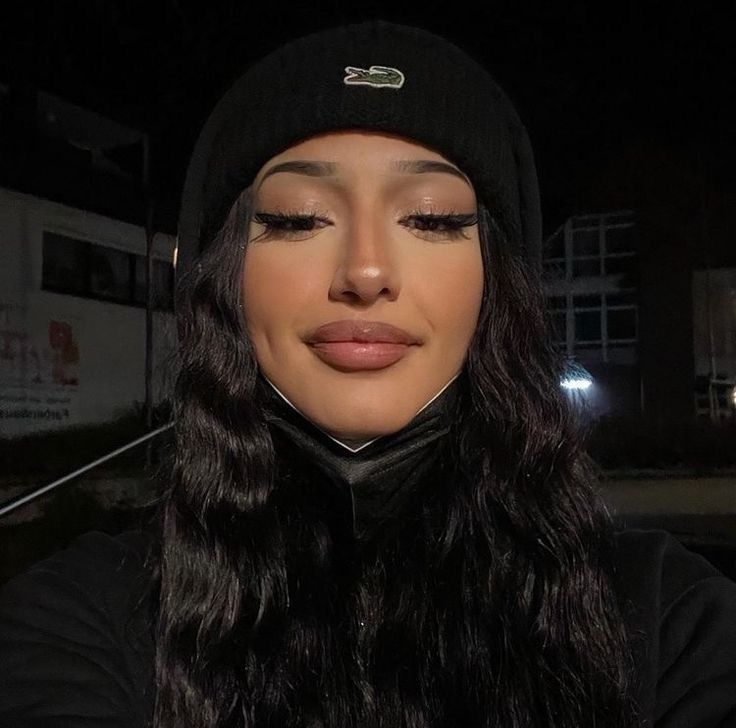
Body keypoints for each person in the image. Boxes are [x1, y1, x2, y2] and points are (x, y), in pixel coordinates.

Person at [1, 19, 735, 728]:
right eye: (296, 218)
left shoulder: (670, 618)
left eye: (432, 218)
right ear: (220, 274)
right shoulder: (83, 618)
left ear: (496, 280)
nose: (365, 271)